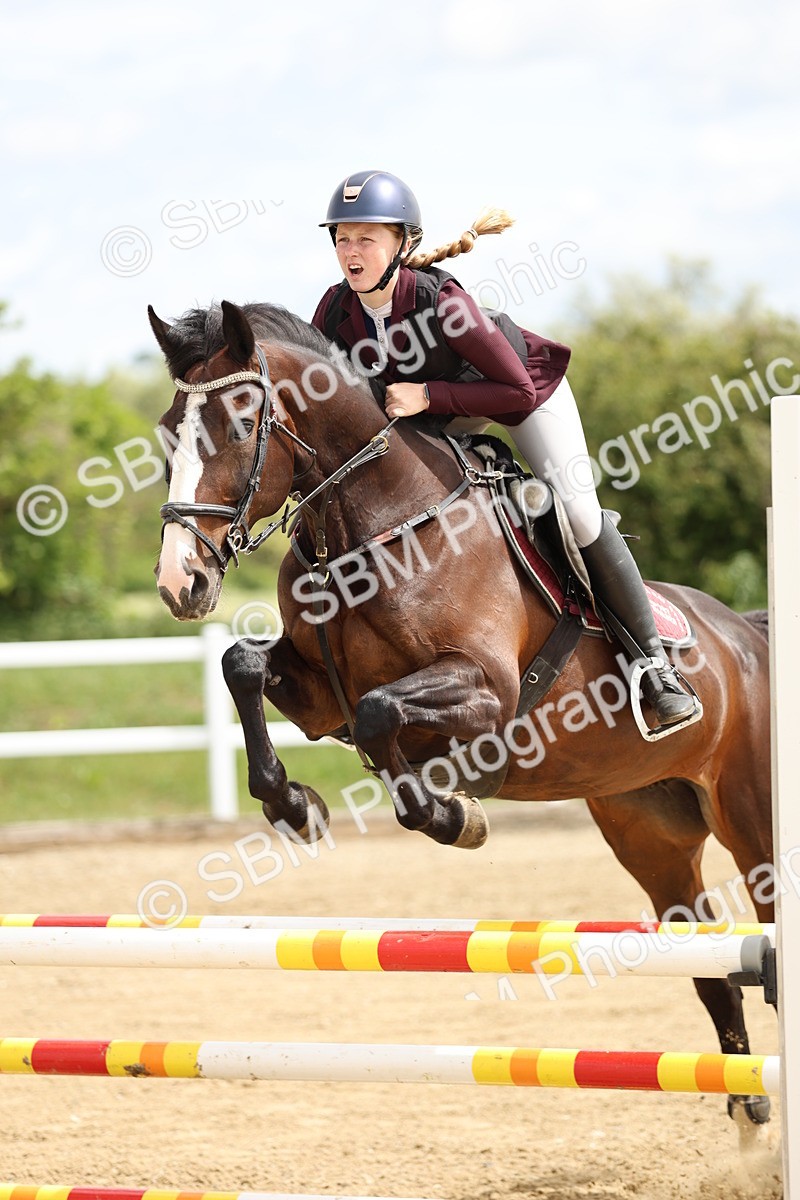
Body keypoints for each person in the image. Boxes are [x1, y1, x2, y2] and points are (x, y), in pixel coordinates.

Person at [311, 169, 698, 729]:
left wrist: (428, 394)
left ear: (402, 245)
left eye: (366, 239)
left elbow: (516, 391)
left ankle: (656, 666)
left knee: (579, 512)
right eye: (343, 238)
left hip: (524, 393)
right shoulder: (334, 311)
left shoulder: (443, 304)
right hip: (438, 410)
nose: (351, 251)